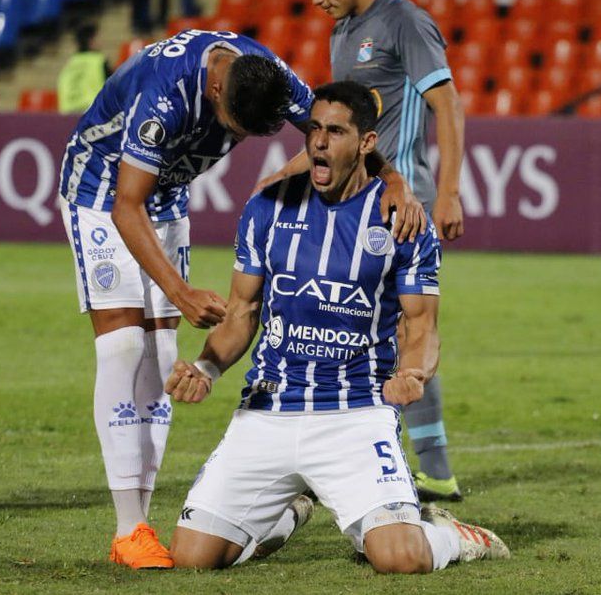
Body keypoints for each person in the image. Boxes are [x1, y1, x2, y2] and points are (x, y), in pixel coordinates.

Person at [58, 28, 425, 569]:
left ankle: (157, 520)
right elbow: (125, 206)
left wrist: (392, 177)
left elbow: (340, 127)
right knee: (121, 348)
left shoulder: (267, 75)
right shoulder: (166, 93)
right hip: (102, 191)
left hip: (166, 197)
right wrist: (179, 292)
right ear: (213, 91)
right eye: (234, 129)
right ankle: (128, 528)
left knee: (161, 357)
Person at [164, 82, 508, 572]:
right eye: (314, 130)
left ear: (366, 142)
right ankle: (287, 514)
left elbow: (422, 325)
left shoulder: (402, 219)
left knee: (400, 559)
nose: (319, 142)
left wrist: (413, 373)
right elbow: (242, 313)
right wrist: (205, 367)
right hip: (268, 409)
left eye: (336, 131)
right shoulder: (267, 208)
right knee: (193, 559)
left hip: (355, 414)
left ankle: (453, 536)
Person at [285, 0, 467, 501]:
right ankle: (415, 469)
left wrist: (448, 191)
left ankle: (423, 468)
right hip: (353, 202)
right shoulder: (343, 32)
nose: (315, 0)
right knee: (357, 329)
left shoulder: (404, 22)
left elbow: (449, 106)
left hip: (403, 202)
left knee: (398, 329)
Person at [57, 23, 109, 115]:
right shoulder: (99, 61)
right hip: (92, 114)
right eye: (98, 38)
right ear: (91, 41)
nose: (102, 42)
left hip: (67, 116)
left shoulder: (69, 65)